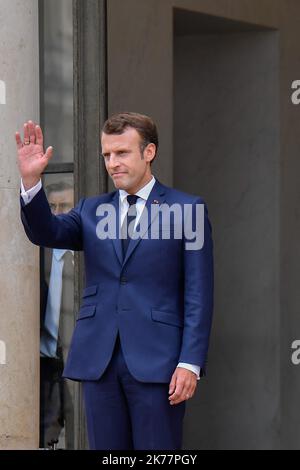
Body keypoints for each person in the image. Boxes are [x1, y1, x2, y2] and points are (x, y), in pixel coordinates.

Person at [16, 112, 214, 450]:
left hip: (159, 362)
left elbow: (199, 292)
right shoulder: (90, 210)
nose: (112, 163)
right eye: (107, 154)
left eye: (121, 153)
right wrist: (32, 183)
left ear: (148, 152)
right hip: (99, 360)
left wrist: (190, 362)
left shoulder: (187, 209)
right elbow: (46, 232)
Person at [39, 182, 74, 449]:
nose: (58, 213)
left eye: (65, 206)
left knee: (78, 430)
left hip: (77, 358)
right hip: (42, 361)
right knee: (45, 434)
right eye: (52, 207)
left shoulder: (85, 255)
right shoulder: (37, 255)